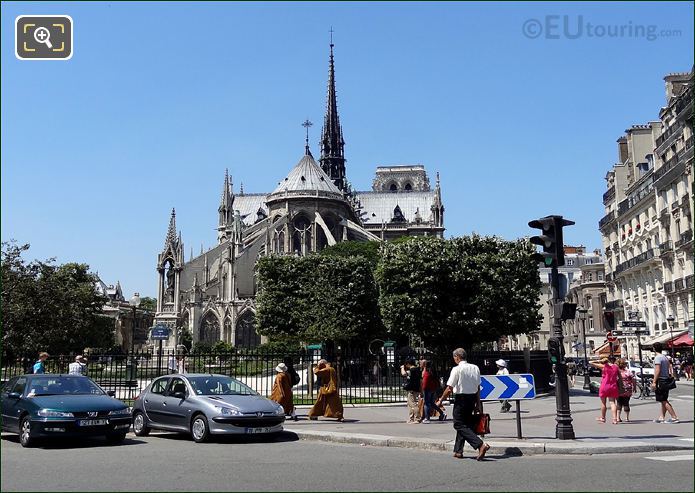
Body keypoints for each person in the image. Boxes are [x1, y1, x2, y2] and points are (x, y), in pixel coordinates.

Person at [435, 348, 490, 461]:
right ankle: (458, 450)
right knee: (465, 424)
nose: (454, 359)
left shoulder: (457, 369)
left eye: (454, 357)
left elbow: (449, 388)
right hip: (472, 398)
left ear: (457, 357)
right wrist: (478, 403)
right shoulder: (475, 368)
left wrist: (440, 400)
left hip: (461, 399)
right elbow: (478, 388)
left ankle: (480, 444)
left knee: (458, 424)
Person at [651, 342, 679, 423]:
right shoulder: (665, 357)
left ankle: (674, 417)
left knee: (663, 400)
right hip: (666, 379)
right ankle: (661, 417)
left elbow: (657, 370)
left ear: (654, 349)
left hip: (661, 380)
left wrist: (654, 381)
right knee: (663, 399)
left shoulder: (657, 358)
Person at [590, 356, 621, 424]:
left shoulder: (604, 366)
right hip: (613, 386)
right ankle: (615, 419)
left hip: (604, 386)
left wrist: (599, 361)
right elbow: (620, 377)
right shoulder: (616, 367)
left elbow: (591, 362)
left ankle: (603, 418)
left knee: (603, 403)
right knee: (612, 402)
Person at [400, 359, 422, 423]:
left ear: (408, 364)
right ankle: (411, 418)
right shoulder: (417, 370)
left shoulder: (412, 370)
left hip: (412, 389)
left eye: (406, 364)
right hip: (416, 388)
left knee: (413, 404)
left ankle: (417, 418)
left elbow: (403, 374)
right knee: (410, 404)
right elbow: (420, 380)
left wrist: (402, 368)